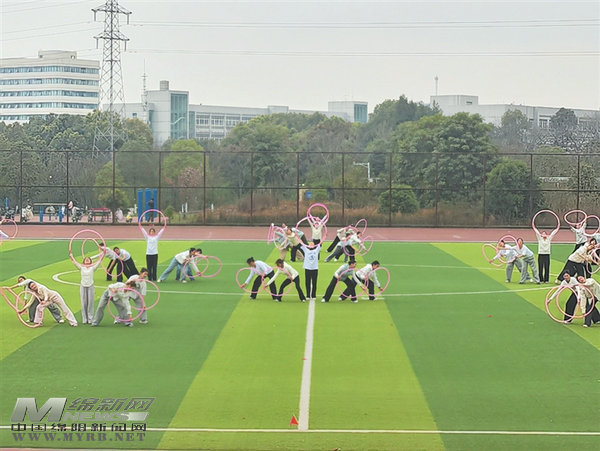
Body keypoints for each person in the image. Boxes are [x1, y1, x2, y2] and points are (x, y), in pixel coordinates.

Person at [70, 255, 102, 325]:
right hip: (83, 285)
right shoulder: (81, 268)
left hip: (90, 285)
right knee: (83, 302)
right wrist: (71, 256)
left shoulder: (92, 268)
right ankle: (84, 319)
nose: (87, 260)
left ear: (91, 261)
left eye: (88, 259)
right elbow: (75, 262)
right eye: (86, 259)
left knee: (90, 302)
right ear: (83, 261)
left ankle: (90, 319)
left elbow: (99, 262)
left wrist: (102, 254)